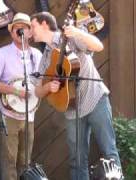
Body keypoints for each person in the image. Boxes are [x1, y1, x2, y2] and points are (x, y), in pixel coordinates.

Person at [30, 12, 121, 179]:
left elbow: (98, 46)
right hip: (72, 109)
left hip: (95, 99)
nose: (30, 31)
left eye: (32, 26)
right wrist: (49, 86)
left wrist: (79, 32)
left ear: (44, 24)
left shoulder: (70, 37)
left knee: (109, 152)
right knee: (76, 160)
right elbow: (37, 90)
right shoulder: (46, 57)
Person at [0, 12, 42, 180]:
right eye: (17, 28)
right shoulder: (2, 54)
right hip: (7, 115)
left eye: (24, 28)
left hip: (29, 115)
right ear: (11, 32)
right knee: (8, 161)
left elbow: (42, 82)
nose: (20, 31)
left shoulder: (36, 55)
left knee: (25, 161)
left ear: (30, 32)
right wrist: (15, 91)